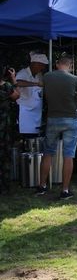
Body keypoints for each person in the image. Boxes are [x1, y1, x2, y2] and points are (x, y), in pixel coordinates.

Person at [36, 55, 77, 199]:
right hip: (71, 119)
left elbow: (42, 91)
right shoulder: (76, 79)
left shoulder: (47, 77)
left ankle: (42, 186)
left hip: (53, 118)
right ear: (71, 66)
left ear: (57, 64)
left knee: (48, 153)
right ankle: (65, 190)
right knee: (69, 155)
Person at [15, 52, 48, 135]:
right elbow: (18, 83)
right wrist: (36, 84)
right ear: (34, 64)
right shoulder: (23, 73)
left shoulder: (39, 75)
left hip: (37, 111)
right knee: (26, 134)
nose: (43, 67)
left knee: (35, 134)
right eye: (41, 65)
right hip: (25, 111)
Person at [0, 65, 19, 195]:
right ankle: (4, 187)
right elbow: (17, 96)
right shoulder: (6, 86)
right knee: (4, 156)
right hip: (4, 127)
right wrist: (13, 79)